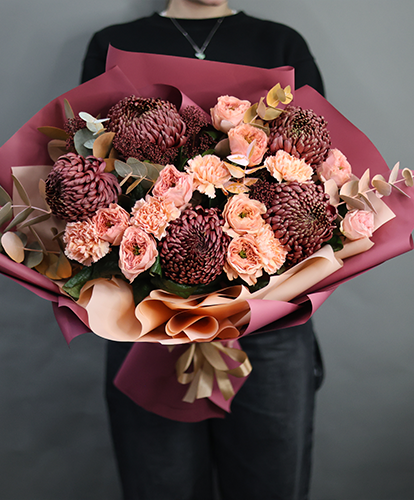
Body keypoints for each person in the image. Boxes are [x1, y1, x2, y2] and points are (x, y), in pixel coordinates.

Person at [81, 1, 325, 499]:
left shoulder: (281, 44)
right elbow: (89, 170)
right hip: (149, 323)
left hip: (266, 322)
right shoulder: (113, 45)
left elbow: (319, 175)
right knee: (161, 485)